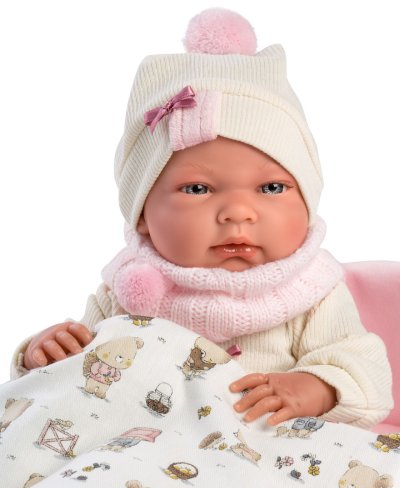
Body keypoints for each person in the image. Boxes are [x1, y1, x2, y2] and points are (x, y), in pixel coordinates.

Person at [11, 8, 392, 430]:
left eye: (271, 188)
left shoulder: (311, 291)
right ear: (142, 216)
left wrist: (314, 388)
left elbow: (367, 374)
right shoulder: (125, 289)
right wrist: (45, 355)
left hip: (267, 450)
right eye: (197, 189)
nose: (238, 212)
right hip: (144, 449)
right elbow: (73, 386)